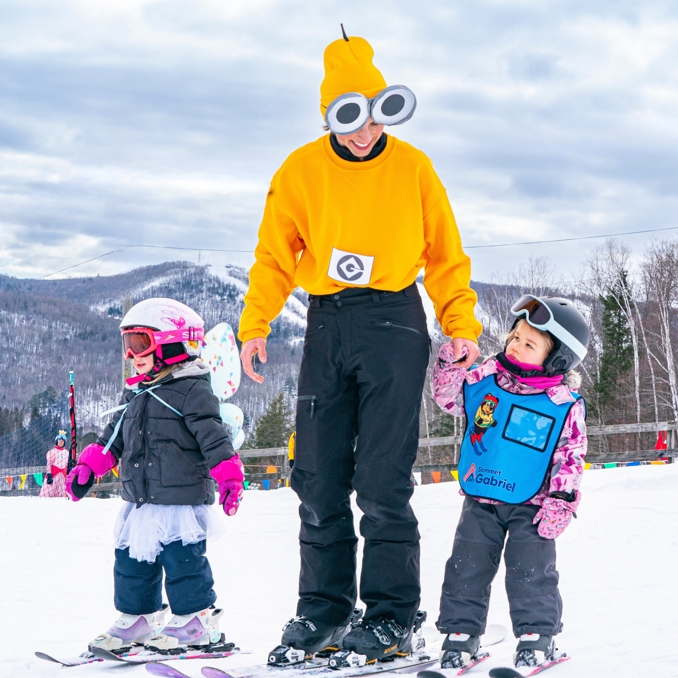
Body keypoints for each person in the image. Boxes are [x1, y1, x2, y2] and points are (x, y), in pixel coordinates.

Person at [238, 30, 481, 661]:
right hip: (328, 322)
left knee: (381, 478)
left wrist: (460, 327)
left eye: (374, 116)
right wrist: (255, 323)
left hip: (395, 321)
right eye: (349, 119)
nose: (364, 133)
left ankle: (394, 615)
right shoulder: (300, 170)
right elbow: (274, 256)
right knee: (317, 475)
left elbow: (446, 257)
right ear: (330, 116)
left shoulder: (414, 168)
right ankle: (324, 610)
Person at [65, 298, 245, 652]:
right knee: (131, 562)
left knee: (183, 562)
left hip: (180, 498)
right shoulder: (135, 391)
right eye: (127, 346)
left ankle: (195, 620)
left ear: (170, 342)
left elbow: (213, 437)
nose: (132, 354)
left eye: (139, 343)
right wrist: (89, 467)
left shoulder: (193, 389)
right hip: (141, 498)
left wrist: (229, 478)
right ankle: (139, 619)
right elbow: (111, 437)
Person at [431, 295, 590, 670]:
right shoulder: (485, 378)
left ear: (557, 359)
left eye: (529, 343)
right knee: (465, 567)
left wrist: (561, 500)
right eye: (515, 336)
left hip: (533, 505)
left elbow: (571, 454)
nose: (516, 345)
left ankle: (536, 639)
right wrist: (451, 366)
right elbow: (449, 399)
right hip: (482, 496)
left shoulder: (561, 402)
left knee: (530, 571)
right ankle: (460, 636)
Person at [38, 431, 69, 498]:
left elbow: (67, 465)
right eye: (59, 441)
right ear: (57, 441)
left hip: (62, 476)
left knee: (62, 493)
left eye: (62, 441)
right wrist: (49, 474)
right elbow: (49, 464)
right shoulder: (52, 452)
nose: (61, 442)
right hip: (53, 475)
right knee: (49, 491)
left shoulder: (67, 453)